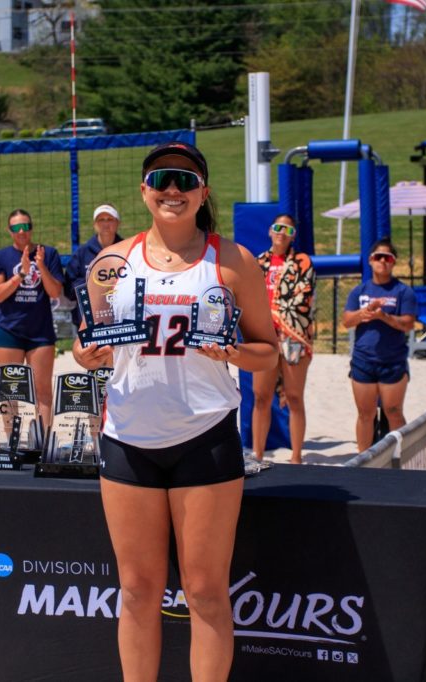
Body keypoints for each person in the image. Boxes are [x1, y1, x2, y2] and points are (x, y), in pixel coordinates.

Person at [73, 142, 277, 680]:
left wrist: (231, 352)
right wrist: (84, 352)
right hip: (127, 439)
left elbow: (267, 352)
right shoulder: (110, 263)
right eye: (162, 178)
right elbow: (90, 344)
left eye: (185, 181)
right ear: (143, 190)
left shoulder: (232, 261)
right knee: (138, 592)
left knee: (206, 592)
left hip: (203, 437)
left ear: (203, 193)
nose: (173, 189)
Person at [0, 209, 64, 426]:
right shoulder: (0, 257)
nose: (22, 232)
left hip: (40, 332)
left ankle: (44, 445)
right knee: (10, 393)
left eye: (25, 226)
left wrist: (40, 267)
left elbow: (55, 292)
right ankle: (13, 445)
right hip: (8, 331)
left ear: (31, 227)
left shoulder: (48, 254)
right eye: (16, 228)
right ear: (9, 230)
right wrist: (22, 273)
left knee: (43, 393)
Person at [251, 213, 316, 463]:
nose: (281, 232)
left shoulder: (302, 262)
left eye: (287, 229)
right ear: (269, 231)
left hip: (293, 336)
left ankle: (297, 456)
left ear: (293, 236)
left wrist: (273, 315)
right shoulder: (258, 262)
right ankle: (257, 454)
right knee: (260, 395)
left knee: (295, 396)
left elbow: (303, 300)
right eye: (278, 227)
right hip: (264, 336)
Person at [343, 238, 416, 452]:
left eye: (388, 257)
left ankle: (401, 460)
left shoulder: (403, 292)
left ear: (393, 262)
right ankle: (364, 460)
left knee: (393, 411)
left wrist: (383, 316)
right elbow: (347, 321)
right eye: (378, 257)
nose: (382, 261)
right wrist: (364, 313)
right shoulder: (359, 291)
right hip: (364, 360)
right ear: (370, 260)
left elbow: (408, 324)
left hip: (392, 361)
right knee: (365, 414)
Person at [64, 203, 124, 327]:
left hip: (120, 322)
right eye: (101, 220)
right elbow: (69, 289)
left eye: (110, 219)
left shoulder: (127, 250)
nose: (105, 223)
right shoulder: (82, 253)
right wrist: (97, 286)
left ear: (118, 223)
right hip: (89, 322)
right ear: (95, 224)